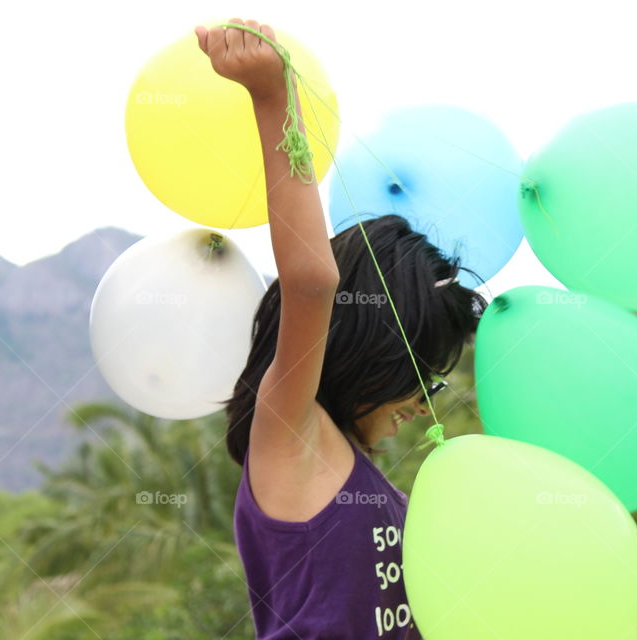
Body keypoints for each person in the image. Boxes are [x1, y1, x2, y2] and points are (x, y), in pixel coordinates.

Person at [196, 18, 487, 639]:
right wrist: (274, 100)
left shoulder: (361, 473)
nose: (422, 403)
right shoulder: (290, 435)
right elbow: (312, 283)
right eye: (422, 379)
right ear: (374, 347)